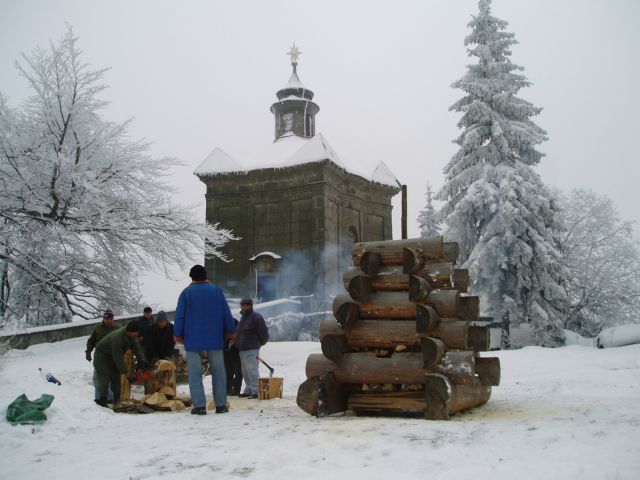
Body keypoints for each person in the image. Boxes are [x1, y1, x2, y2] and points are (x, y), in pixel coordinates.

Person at [174, 264, 236, 415]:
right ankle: (221, 405)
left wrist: (178, 334)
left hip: (193, 338)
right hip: (215, 337)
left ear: (191, 277)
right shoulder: (216, 291)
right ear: (206, 276)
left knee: (195, 373)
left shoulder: (186, 293)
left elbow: (180, 316)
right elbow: (226, 313)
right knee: (219, 371)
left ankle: (199, 405)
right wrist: (231, 331)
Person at [92, 320, 147, 407]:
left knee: (116, 376)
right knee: (104, 377)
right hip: (102, 356)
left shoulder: (132, 337)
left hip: (112, 354)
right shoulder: (117, 338)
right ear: (130, 331)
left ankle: (117, 398)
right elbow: (118, 358)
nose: (137, 334)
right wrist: (127, 373)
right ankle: (102, 400)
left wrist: (143, 360)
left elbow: (137, 347)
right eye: (136, 332)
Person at [85, 309, 122, 402]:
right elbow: (91, 341)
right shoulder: (98, 329)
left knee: (112, 380)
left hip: (113, 358)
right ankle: (99, 398)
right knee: (98, 379)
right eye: (107, 318)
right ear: (104, 319)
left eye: (111, 318)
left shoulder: (118, 328)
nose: (109, 320)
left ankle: (111, 398)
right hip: (100, 359)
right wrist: (88, 352)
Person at [236, 297, 269, 399]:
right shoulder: (243, 318)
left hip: (251, 348)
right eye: (241, 305)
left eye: (243, 305)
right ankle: (249, 389)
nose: (241, 307)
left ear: (249, 306)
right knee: (245, 370)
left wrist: (260, 343)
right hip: (242, 348)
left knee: (252, 370)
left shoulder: (256, 317)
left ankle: (256, 390)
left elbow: (264, 332)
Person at [224, 318, 242, 396]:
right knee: (228, 371)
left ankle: (236, 389)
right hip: (226, 350)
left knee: (237, 371)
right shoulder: (222, 322)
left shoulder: (233, 321)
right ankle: (228, 389)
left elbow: (238, 334)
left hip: (236, 350)